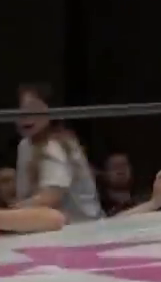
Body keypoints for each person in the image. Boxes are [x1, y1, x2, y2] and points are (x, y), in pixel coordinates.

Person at [12, 83, 104, 223]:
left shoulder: (56, 145)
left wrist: (8, 213)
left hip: (82, 226)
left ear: (51, 111)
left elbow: (50, 197)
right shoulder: (24, 145)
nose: (25, 116)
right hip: (47, 224)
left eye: (33, 108)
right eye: (20, 110)